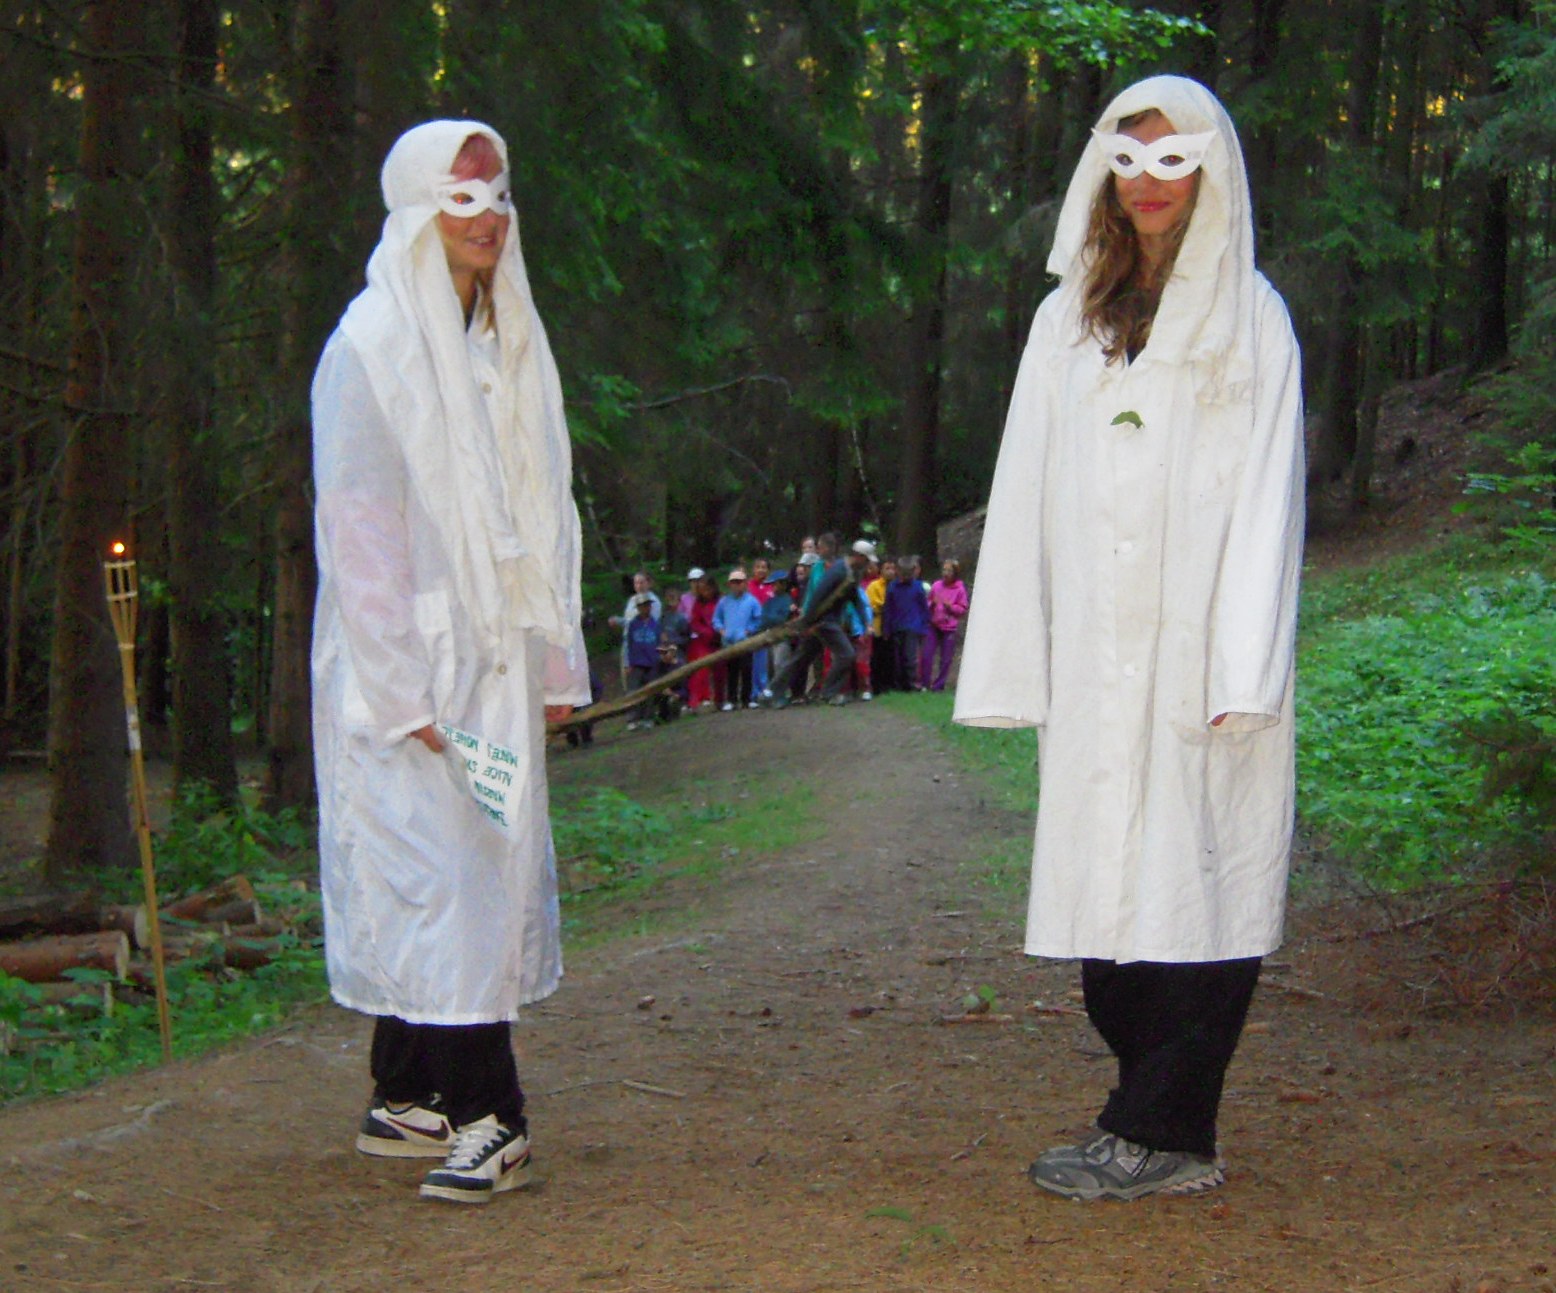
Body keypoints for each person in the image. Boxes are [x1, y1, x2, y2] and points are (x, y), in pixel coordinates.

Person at [953, 76, 1304, 1202]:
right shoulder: (1068, 319)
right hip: (1097, 658)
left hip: (1200, 656)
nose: (1151, 183)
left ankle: (1163, 1131)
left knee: (1199, 887)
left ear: (1211, 170)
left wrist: (1241, 665)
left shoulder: (1251, 319)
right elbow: (1024, 483)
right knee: (1106, 909)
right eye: (1130, 158)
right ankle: (1147, 1112)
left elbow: (1269, 497)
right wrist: (1017, 652)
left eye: (1173, 159)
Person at [311, 120, 590, 1205]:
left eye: (498, 196)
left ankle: (411, 1091)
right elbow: (359, 531)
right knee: (447, 880)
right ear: (418, 212)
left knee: (456, 870)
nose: (488, 219)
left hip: (495, 662)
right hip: (416, 670)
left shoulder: (504, 340)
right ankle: (491, 1116)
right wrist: (400, 689)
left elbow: (544, 507)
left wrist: (555, 662)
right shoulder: (373, 346)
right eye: (461, 200)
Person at [762, 532, 855, 707]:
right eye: (818, 547)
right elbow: (811, 595)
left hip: (830, 620)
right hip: (819, 622)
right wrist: (806, 619)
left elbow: (846, 597)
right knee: (844, 654)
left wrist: (847, 618)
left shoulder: (841, 569)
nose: (818, 550)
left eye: (821, 547)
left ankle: (772, 692)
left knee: (801, 658)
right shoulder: (818, 568)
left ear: (831, 548)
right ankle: (774, 693)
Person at [712, 568, 763, 709]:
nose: (737, 585)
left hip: (745, 642)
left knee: (747, 670)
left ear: (745, 583)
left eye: (739, 582)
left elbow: (758, 619)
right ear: (729, 584)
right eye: (734, 582)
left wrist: (749, 630)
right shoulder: (724, 602)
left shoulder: (752, 601)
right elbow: (716, 619)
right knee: (731, 672)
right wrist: (721, 630)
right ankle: (732, 700)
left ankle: (747, 699)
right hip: (728, 643)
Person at [882, 556, 929, 691]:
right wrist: (886, 628)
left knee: (910, 656)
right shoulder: (892, 587)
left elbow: (924, 608)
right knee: (897, 657)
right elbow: (888, 609)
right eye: (904, 574)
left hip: (913, 626)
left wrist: (924, 627)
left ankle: (911, 683)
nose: (906, 577)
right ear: (898, 572)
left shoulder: (918, 587)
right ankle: (898, 684)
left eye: (908, 574)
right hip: (896, 626)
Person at [921, 559, 968, 691]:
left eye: (949, 571)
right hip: (934, 625)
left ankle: (938, 685)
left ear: (955, 573)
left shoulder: (959, 589)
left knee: (946, 659)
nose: (946, 573)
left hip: (949, 628)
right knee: (927, 654)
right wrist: (932, 604)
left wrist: (951, 607)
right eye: (944, 570)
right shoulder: (936, 586)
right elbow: (927, 602)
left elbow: (963, 609)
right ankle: (925, 683)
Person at [623, 593, 662, 730]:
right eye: (642, 606)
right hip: (636, 663)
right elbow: (628, 644)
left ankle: (648, 717)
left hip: (652, 662)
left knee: (650, 691)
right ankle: (633, 719)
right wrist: (627, 663)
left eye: (647, 605)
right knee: (634, 691)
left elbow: (659, 642)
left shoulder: (655, 624)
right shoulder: (633, 624)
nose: (645, 608)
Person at [686, 574, 722, 710]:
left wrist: (719, 630)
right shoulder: (698, 603)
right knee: (701, 669)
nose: (705, 593)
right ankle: (698, 700)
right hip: (704, 641)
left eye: (707, 589)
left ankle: (720, 700)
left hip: (720, 639)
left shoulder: (720, 601)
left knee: (720, 671)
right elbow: (694, 622)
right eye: (702, 590)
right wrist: (705, 631)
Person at [867, 557, 896, 693]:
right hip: (878, 627)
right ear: (881, 570)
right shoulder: (874, 586)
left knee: (891, 657)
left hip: (893, 628)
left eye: (893, 568)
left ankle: (890, 684)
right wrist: (885, 606)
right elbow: (872, 604)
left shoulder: (896, 586)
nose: (890, 571)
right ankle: (876, 685)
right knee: (877, 657)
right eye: (887, 568)